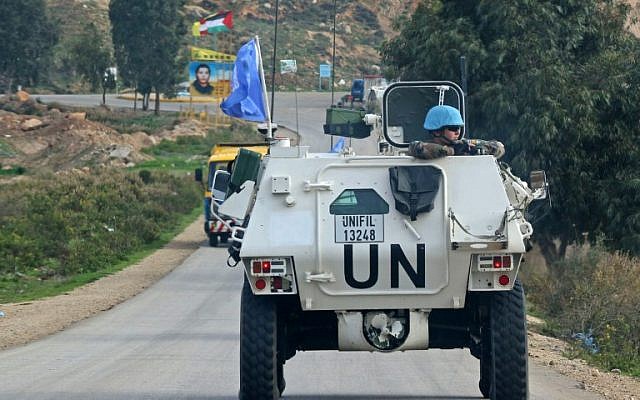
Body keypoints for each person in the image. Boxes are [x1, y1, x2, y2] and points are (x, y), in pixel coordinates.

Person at [408, 105, 505, 160]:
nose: (457, 132)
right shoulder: (422, 148)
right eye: (453, 128)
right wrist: (453, 151)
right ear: (437, 132)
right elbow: (417, 148)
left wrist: (482, 150)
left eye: (458, 128)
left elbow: (499, 147)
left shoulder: (463, 145)